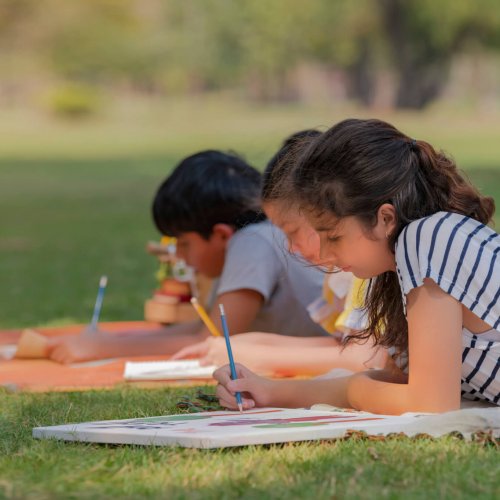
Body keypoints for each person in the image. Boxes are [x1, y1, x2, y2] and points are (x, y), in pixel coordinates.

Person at [213, 118, 500, 414]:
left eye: (334, 237)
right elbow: (396, 380)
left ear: (385, 219)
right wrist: (267, 391)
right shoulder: (396, 265)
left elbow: (430, 404)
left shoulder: (428, 239)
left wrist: (353, 390)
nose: (324, 254)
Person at [48, 150, 326, 363]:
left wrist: (103, 348)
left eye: (183, 244)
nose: (179, 256)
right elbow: (202, 325)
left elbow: (213, 338)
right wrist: (115, 339)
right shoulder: (250, 239)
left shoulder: (252, 242)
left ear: (220, 235)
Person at [172, 131, 387, 376]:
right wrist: (254, 344)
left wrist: (262, 357)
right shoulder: (349, 273)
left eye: (292, 231)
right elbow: (345, 345)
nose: (290, 247)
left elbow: (369, 357)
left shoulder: (368, 270)